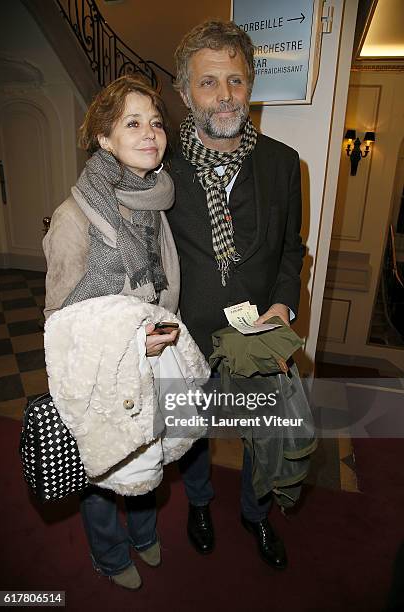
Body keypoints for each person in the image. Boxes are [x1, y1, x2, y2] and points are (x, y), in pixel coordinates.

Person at [167, 21, 305, 569]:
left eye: (236, 80)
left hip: (257, 335)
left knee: (263, 436)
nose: (224, 95)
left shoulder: (282, 162)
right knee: (193, 435)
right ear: (184, 93)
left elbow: (292, 250)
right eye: (208, 82)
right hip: (186, 339)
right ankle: (199, 502)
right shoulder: (159, 167)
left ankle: (255, 511)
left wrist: (282, 307)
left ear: (250, 86)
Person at [43, 76, 181, 590]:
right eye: (132, 123)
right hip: (100, 373)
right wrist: (128, 342)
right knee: (101, 470)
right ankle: (107, 552)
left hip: (151, 365)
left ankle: (144, 534)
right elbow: (58, 324)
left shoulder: (155, 206)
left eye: (156, 122)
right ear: (104, 138)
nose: (150, 133)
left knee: (148, 452)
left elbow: (164, 289)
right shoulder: (74, 216)